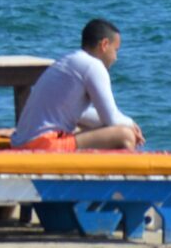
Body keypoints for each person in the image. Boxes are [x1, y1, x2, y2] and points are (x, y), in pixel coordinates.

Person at [12, 19, 144, 151]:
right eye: (116, 50)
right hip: (43, 144)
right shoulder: (93, 66)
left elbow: (81, 114)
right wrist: (131, 124)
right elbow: (112, 119)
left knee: (99, 127)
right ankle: (126, 170)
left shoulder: (70, 60)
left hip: (20, 142)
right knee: (125, 135)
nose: (116, 58)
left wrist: (120, 123)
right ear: (104, 44)